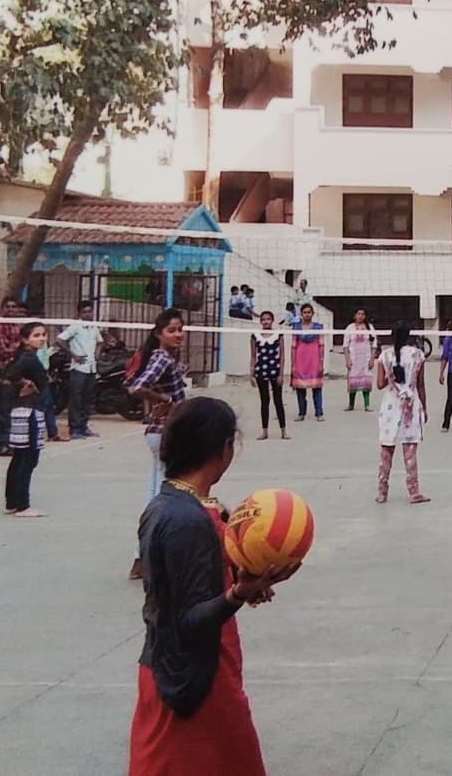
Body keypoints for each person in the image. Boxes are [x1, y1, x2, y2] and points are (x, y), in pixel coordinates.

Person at [128, 397, 299, 775]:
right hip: (194, 681)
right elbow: (189, 620)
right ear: (223, 450)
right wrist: (238, 593)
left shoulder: (167, 506)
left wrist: (245, 582)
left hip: (168, 667)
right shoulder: (189, 520)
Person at [127, 310, 188, 580]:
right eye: (172, 330)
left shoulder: (166, 357)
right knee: (161, 497)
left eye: (180, 330)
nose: (178, 335)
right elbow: (137, 387)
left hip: (165, 432)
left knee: (160, 493)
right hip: (163, 434)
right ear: (158, 333)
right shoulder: (161, 357)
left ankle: (146, 558)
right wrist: (163, 398)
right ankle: (145, 557)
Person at [375, 322, 431, 504]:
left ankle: (382, 492)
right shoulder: (418, 355)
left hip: (390, 406)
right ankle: (414, 492)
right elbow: (421, 384)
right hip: (411, 406)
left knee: (386, 450)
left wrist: (391, 376)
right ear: (409, 336)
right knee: (410, 451)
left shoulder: (385, 356)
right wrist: (425, 406)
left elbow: (379, 385)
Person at [2, 322, 53, 518]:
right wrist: (26, 384)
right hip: (29, 411)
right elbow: (9, 375)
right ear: (25, 339)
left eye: (43, 334)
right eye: (36, 335)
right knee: (29, 457)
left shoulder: (22, 356)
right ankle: (23, 504)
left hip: (22, 409)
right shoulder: (28, 358)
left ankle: (12, 501)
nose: (41, 338)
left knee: (19, 457)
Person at [56, 300, 107, 440]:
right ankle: (75, 428)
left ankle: (84, 426)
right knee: (76, 398)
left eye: (89, 311)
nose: (88, 314)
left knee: (87, 398)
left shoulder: (93, 327)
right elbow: (59, 340)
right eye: (84, 312)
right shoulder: (75, 327)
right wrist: (73, 354)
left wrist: (97, 353)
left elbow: (100, 341)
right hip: (78, 368)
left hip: (91, 367)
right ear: (79, 313)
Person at [0, 296, 27, 456]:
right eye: (7, 306)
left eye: (13, 307)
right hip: (1, 371)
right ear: (2, 309)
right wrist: (20, 342)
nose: (11, 309)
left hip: (15, 371)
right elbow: (4, 351)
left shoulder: (18, 326)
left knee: (9, 409)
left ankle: (5, 440)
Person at [250, 311, 288, 441]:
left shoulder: (278, 335)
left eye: (268, 319)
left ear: (272, 321)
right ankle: (264, 431)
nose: (266, 321)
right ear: (260, 321)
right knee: (264, 401)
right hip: (261, 370)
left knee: (278, 401)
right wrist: (251, 374)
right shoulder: (255, 336)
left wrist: (281, 374)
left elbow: (282, 356)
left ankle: (283, 431)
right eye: (264, 319)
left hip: (275, 370)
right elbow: (253, 356)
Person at [289, 304, 326, 422]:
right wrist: (293, 364)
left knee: (317, 388)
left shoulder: (318, 327)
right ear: (301, 314)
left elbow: (321, 345)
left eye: (309, 312)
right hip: (300, 361)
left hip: (314, 361)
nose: (307, 314)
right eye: (304, 312)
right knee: (300, 389)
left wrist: (321, 362)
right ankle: (301, 413)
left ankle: (319, 413)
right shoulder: (296, 327)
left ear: (313, 313)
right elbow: (293, 346)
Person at [343, 309, 376, 411]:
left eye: (363, 314)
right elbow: (345, 346)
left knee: (366, 382)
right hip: (354, 359)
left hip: (365, 359)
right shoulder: (350, 328)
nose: (361, 316)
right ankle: (351, 404)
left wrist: (372, 359)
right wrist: (347, 360)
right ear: (354, 316)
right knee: (352, 381)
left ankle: (367, 405)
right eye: (358, 314)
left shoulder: (369, 328)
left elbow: (374, 345)